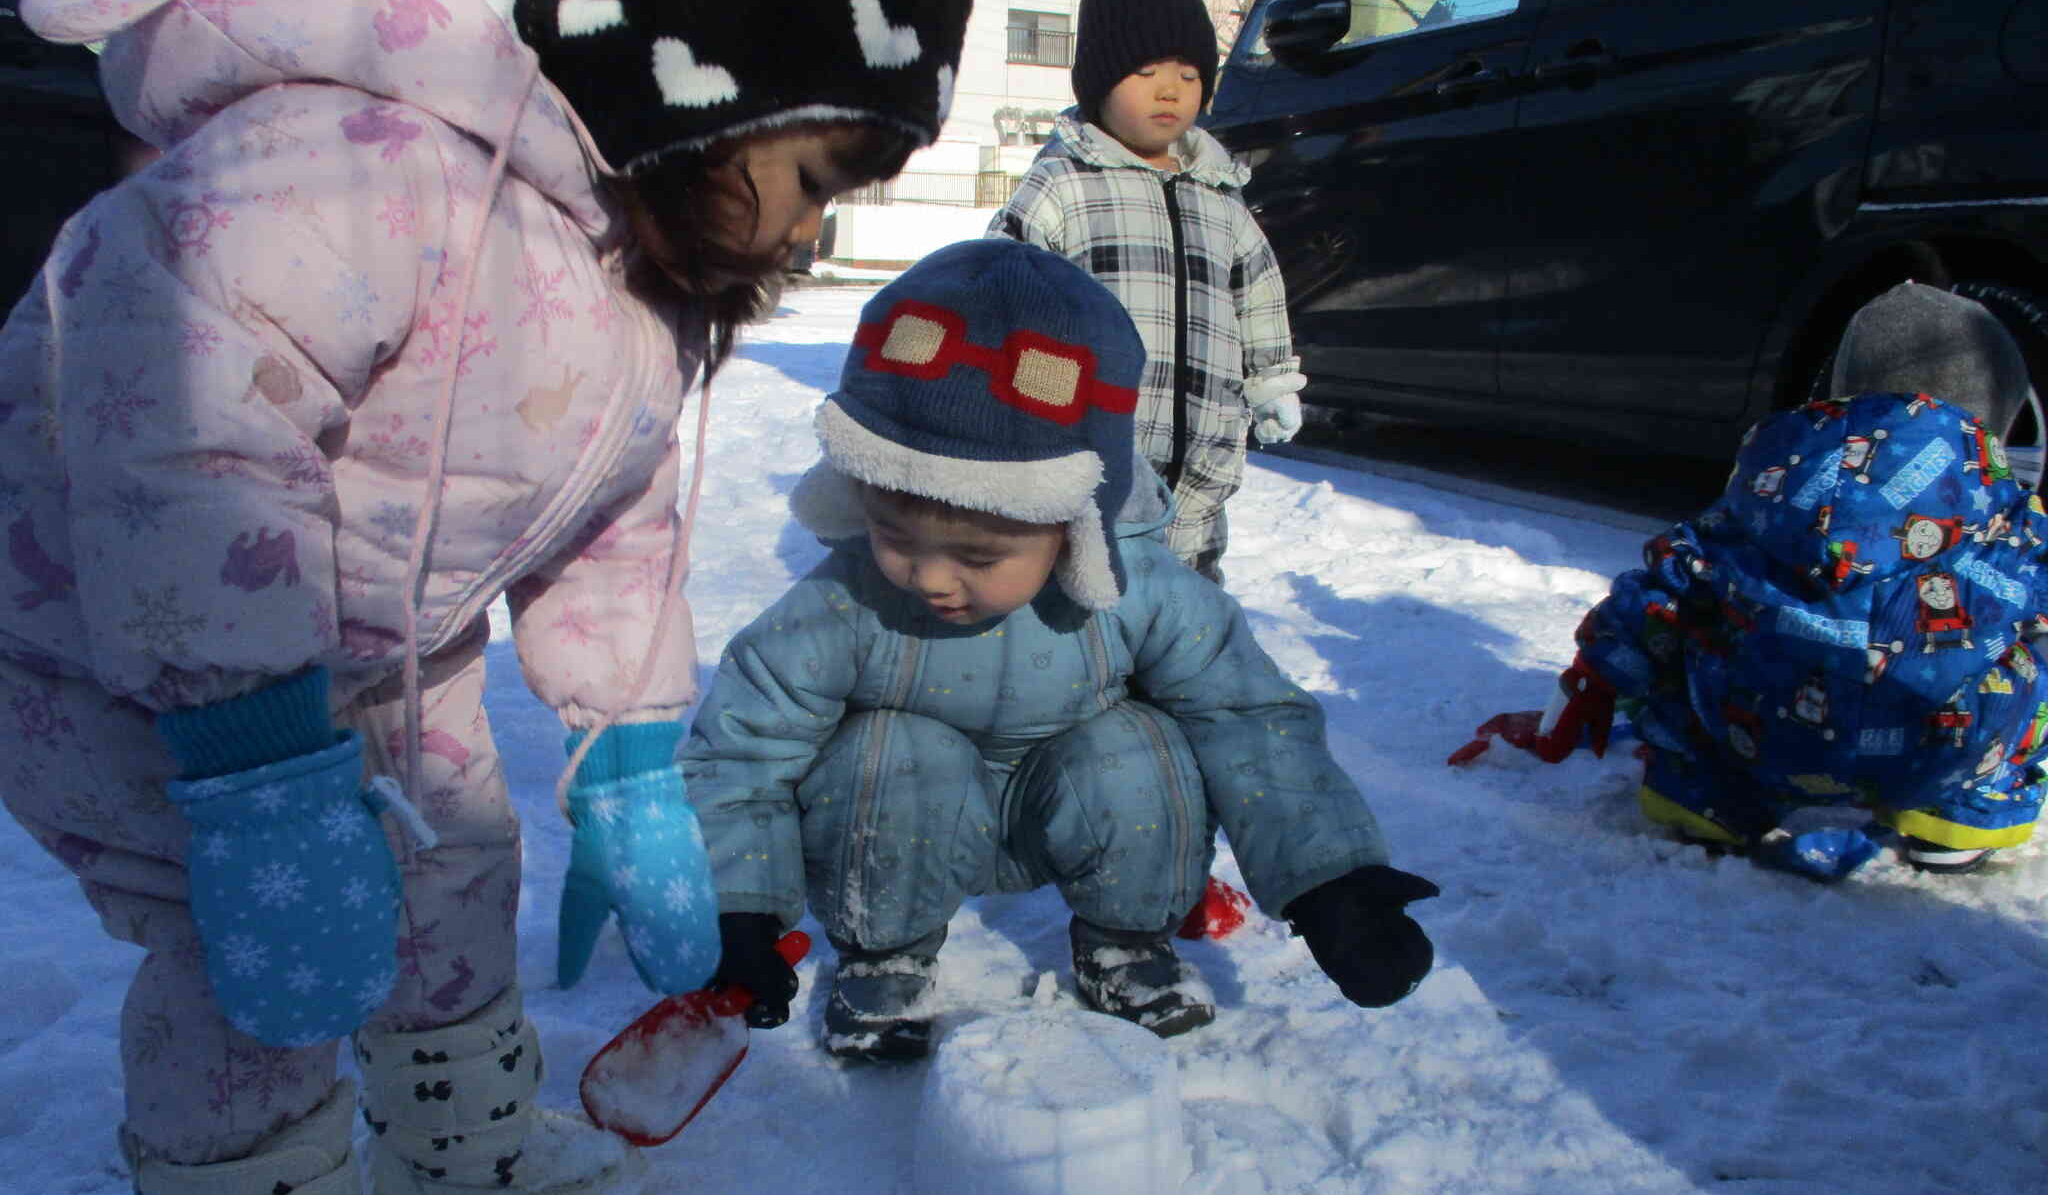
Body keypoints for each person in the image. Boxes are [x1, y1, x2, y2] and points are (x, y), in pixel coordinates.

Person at [0, 0, 976, 1195]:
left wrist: (631, 751)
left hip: (383, 645)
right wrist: (251, 773)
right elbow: (184, 438)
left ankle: (453, 1127)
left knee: (458, 856)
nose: (809, 224)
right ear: (700, 87)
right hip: (117, 641)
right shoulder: (366, 169)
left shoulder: (640, 286)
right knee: (242, 950)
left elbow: (616, 524)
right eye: (814, 171)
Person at [681, 238, 1438, 1065]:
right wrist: (735, 905)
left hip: (1074, 805)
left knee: (1139, 745)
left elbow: (1246, 713)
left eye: (977, 557)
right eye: (894, 534)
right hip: (906, 826)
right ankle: (887, 954)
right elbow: (741, 749)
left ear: (1074, 521)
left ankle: (1125, 938)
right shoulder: (845, 600)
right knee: (891, 751)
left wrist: (1331, 880)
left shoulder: (1136, 586)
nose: (930, 577)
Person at [1542, 282, 2048, 879]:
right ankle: (1960, 819)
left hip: (1756, 740)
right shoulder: (2007, 509)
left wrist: (1594, 676)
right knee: (2026, 655)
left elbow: (1666, 586)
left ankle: (1704, 798)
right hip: (1939, 744)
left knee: (1701, 616)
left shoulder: (1773, 479)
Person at [988, 0, 1302, 583]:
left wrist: (1272, 379)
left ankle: (1181, 672)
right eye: (1147, 71)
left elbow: (1259, 288)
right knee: (1087, 572)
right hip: (1092, 446)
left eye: (1189, 74)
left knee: (1189, 583)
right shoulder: (1063, 185)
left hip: (1205, 450)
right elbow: (1001, 286)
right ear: (1100, 82)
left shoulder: (1220, 191)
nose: (1170, 89)